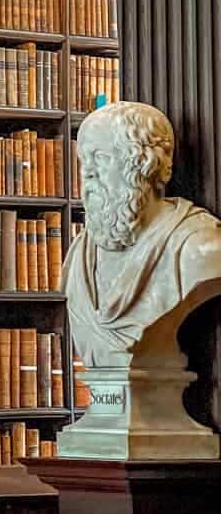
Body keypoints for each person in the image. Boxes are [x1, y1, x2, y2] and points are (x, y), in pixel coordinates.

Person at [63, 101, 221, 367]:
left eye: (101, 157)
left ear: (144, 164)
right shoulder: (79, 254)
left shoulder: (199, 247)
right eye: (83, 160)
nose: (87, 172)